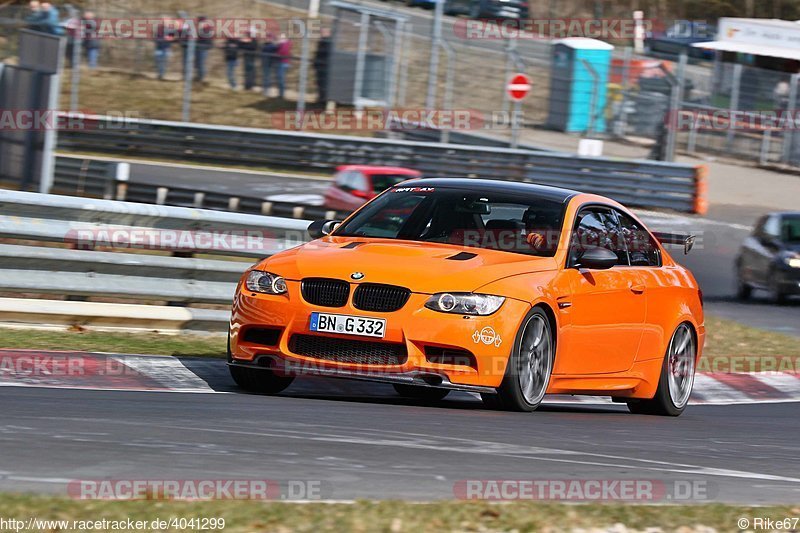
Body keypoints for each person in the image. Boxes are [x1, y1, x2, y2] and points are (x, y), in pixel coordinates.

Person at [313, 27, 332, 103]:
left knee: (323, 83)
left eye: (324, 32)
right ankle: (321, 98)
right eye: (321, 32)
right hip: (320, 66)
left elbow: (324, 54)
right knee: (320, 83)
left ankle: (323, 99)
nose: (322, 33)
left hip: (324, 66)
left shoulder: (327, 42)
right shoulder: (322, 41)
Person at [154, 16, 175, 80]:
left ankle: (161, 75)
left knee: (163, 62)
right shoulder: (159, 28)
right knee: (158, 61)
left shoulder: (170, 29)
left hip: (166, 48)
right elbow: (156, 37)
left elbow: (172, 38)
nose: (164, 22)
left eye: (166, 21)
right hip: (159, 47)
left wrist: (168, 38)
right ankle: (160, 74)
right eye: (163, 21)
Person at [195, 16, 214, 82]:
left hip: (203, 49)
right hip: (198, 48)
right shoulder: (199, 29)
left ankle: (201, 77)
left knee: (201, 63)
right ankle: (199, 76)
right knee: (197, 64)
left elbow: (208, 41)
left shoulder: (207, 30)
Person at [275, 33, 292, 99]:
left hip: (282, 62)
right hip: (283, 62)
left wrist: (277, 52)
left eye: (281, 38)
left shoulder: (284, 44)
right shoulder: (284, 44)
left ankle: (281, 94)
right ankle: (281, 93)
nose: (280, 39)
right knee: (281, 78)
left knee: (281, 79)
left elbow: (283, 52)